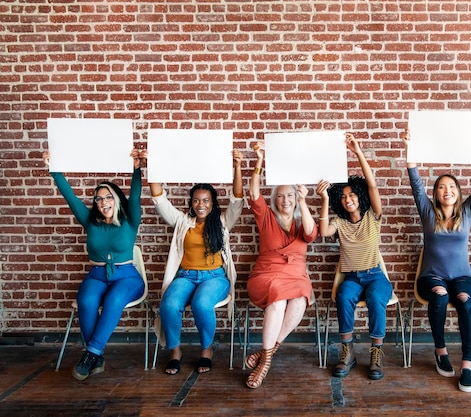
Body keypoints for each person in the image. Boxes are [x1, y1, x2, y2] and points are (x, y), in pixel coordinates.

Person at [401, 129, 471, 392]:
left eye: (452, 186)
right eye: (442, 187)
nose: (447, 190)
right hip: (431, 277)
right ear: (436, 193)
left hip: (463, 278)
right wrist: (409, 147)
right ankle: (441, 351)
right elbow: (415, 182)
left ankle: (467, 365)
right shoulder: (428, 213)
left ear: (458, 192)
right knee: (440, 295)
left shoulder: (467, 212)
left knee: (466, 303)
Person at [43, 148, 147, 381]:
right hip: (97, 274)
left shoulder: (130, 220)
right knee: (86, 300)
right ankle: (96, 356)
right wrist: (54, 169)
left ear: (117, 199)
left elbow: (136, 195)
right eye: (98, 198)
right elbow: (69, 196)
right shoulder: (90, 221)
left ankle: (90, 353)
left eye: (108, 196)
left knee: (114, 299)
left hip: (127, 276)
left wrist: (137, 169)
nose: (103, 202)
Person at [149, 150, 244, 375]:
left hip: (215, 277)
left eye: (205, 200)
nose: (201, 204)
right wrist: (151, 164)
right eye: (196, 200)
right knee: (169, 305)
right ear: (191, 203)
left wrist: (237, 166)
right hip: (186, 276)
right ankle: (175, 351)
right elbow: (159, 199)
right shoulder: (183, 221)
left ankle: (206, 350)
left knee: (202, 305)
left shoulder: (222, 222)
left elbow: (237, 200)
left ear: (212, 203)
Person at [315, 132, 392, 381]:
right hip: (352, 277)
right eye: (344, 196)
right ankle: (347, 352)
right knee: (344, 296)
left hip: (375, 275)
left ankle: (376, 353)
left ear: (360, 196)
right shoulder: (339, 222)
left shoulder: (373, 217)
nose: (348, 199)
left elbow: (372, 185)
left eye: (352, 195)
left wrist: (357, 152)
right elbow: (324, 231)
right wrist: (325, 199)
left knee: (376, 299)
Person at [244, 141, 318, 389]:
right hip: (267, 274)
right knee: (277, 298)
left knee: (300, 299)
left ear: (295, 198)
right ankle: (265, 363)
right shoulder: (266, 216)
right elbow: (254, 193)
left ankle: (266, 355)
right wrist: (259, 162)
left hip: (296, 275)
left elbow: (310, 234)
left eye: (290, 195)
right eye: (280, 195)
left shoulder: (301, 217)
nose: (285, 199)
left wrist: (305, 202)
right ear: (274, 199)